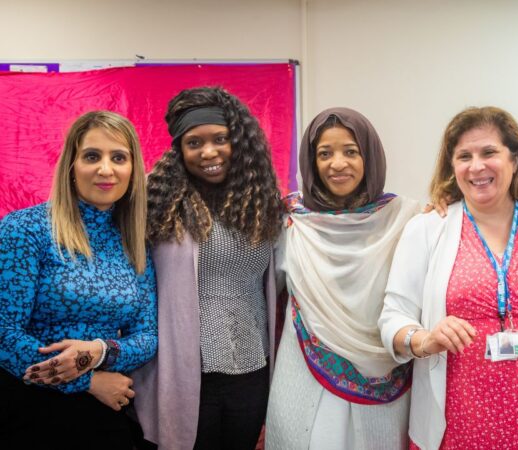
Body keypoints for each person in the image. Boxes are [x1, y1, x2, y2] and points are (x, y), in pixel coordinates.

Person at [379, 106, 518, 449]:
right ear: (452, 167)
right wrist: (425, 339)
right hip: (457, 423)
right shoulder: (428, 228)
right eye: (464, 156)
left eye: (489, 152)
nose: (476, 166)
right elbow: (392, 318)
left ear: (515, 159)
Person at [131, 87, 284, 450]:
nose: (209, 152)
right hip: (187, 371)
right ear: (180, 151)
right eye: (194, 143)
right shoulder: (159, 203)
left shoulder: (265, 204)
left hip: (252, 367)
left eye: (220, 139)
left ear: (239, 143)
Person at [0, 111, 157, 449]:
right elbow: (4, 335)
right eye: (91, 156)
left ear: (132, 170)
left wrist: (100, 351)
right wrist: (86, 380)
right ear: (71, 165)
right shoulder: (25, 230)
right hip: (29, 409)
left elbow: (147, 337)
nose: (105, 169)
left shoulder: (134, 241)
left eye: (118, 157)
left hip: (106, 413)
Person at [266, 107, 420, 450]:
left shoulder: (404, 218)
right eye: (324, 154)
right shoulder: (290, 219)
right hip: (303, 370)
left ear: (370, 156)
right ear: (311, 161)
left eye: (351, 151)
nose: (338, 164)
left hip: (383, 366)